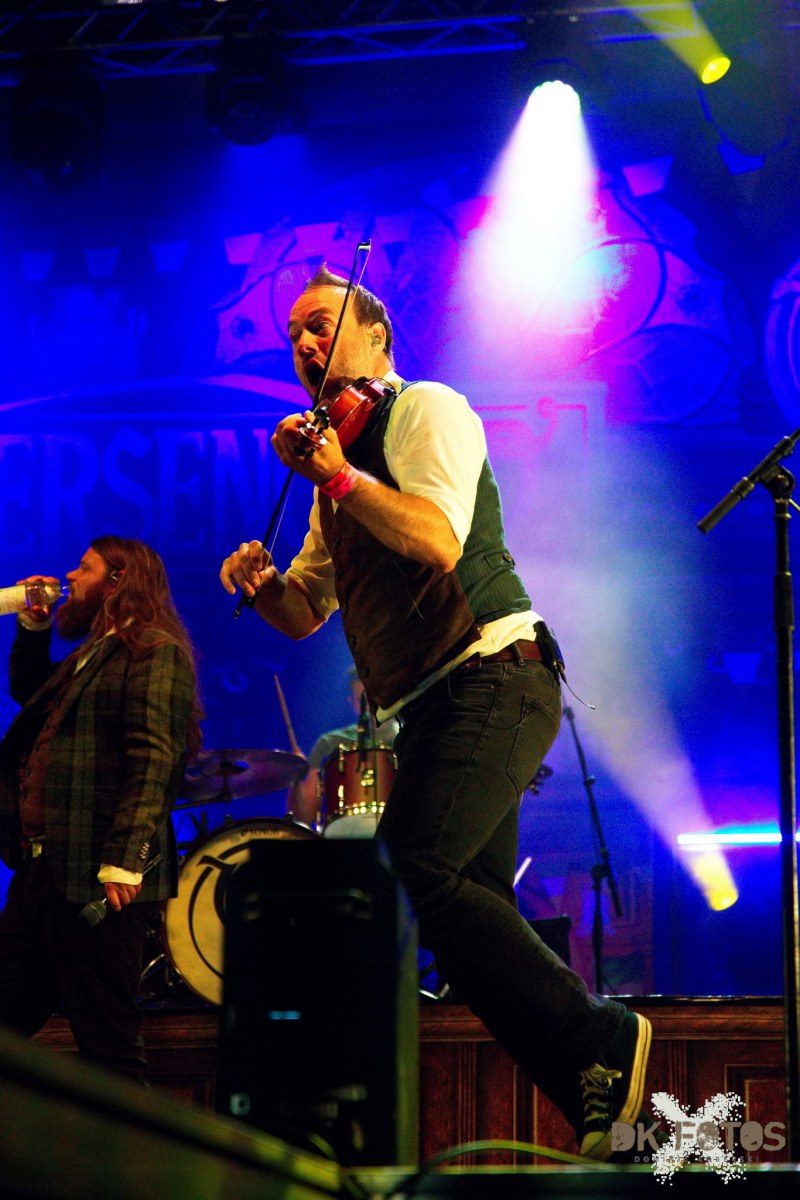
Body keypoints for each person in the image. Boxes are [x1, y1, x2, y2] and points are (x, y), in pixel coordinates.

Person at [219, 267, 651, 1160]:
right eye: (292, 336)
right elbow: (305, 611)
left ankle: (604, 1036)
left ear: (375, 333)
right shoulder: (332, 475)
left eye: (320, 324)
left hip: (495, 674)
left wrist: (341, 477)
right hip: (433, 707)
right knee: (463, 918)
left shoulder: (426, 409)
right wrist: (262, 587)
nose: (303, 344)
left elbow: (438, 539)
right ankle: (600, 1096)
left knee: (413, 866)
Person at [0, 536, 202, 1083]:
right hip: (44, 870)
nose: (71, 576)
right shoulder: (93, 653)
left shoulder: (154, 649)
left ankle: (133, 1143)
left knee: (108, 1044)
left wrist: (125, 859)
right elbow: (32, 697)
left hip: (96, 876)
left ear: (119, 580)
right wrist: (34, 627)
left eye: (85, 568)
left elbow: (155, 756)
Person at [289, 664, 398, 831]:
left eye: (377, 694)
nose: (373, 703)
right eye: (364, 698)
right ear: (353, 703)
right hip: (345, 836)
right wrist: (294, 777)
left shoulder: (412, 738)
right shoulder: (329, 743)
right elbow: (304, 819)